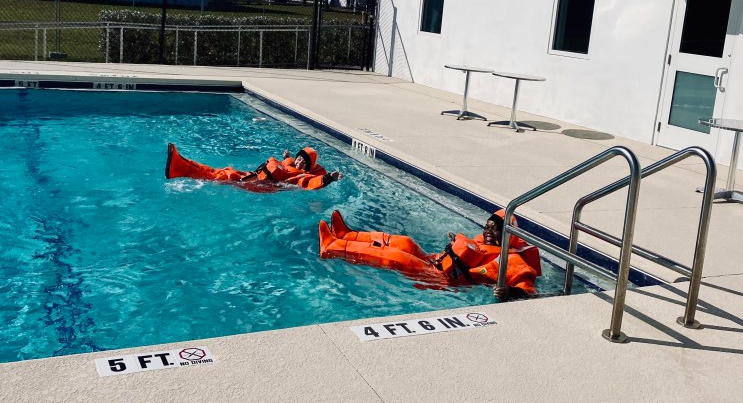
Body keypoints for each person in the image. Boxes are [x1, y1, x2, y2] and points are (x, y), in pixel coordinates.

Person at [318, 208, 540, 296]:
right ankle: (347, 235)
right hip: (434, 261)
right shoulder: (483, 241)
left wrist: (511, 293)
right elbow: (471, 251)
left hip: (443, 279)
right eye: (488, 226)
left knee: (397, 257)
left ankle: (333, 247)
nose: (489, 231)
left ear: (508, 235)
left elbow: (528, 290)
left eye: (496, 228)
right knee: (405, 242)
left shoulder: (512, 259)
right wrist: (456, 243)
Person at [166, 143, 342, 192]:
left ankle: (180, 169)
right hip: (256, 177)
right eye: (298, 159)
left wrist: (329, 178)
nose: (298, 163)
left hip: (264, 186)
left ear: (308, 166)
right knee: (226, 171)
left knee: (226, 177)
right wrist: (286, 158)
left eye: (303, 162)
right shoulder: (290, 164)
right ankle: (183, 163)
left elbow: (312, 183)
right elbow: (287, 164)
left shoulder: (302, 177)